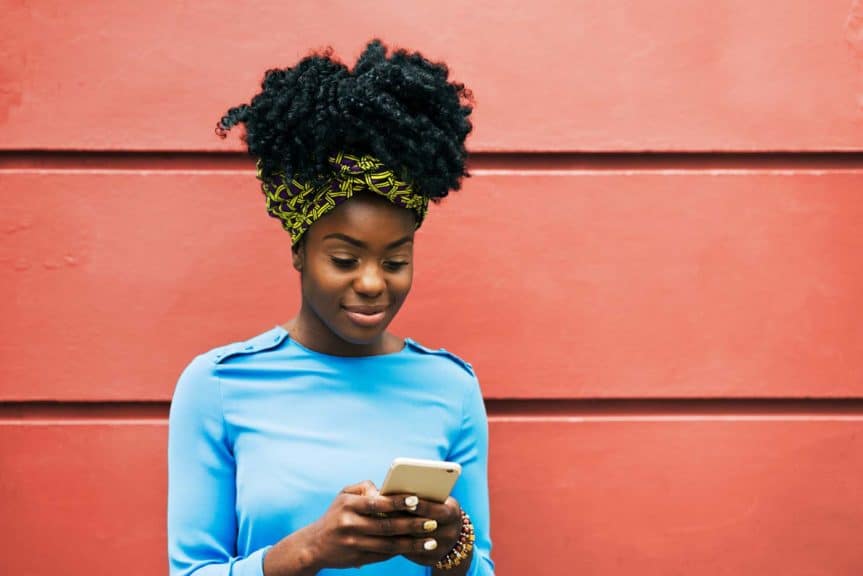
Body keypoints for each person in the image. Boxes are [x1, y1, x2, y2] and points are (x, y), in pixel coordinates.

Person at [167, 39, 494, 576]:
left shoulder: (451, 387)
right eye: (344, 259)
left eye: (395, 261)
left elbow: (479, 567)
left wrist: (454, 550)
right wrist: (309, 550)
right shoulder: (217, 385)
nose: (372, 284)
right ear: (299, 250)